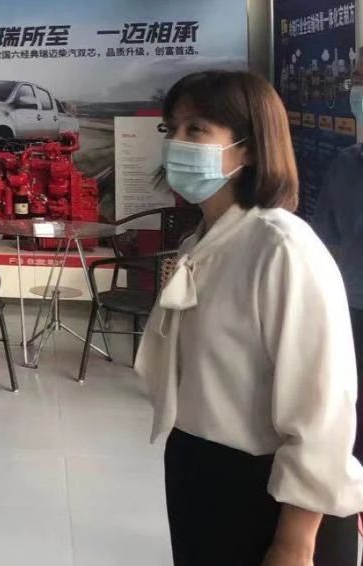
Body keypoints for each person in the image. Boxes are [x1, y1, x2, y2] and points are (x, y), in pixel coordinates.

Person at [135, 70, 363, 566]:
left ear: (251, 148)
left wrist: (294, 543)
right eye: (171, 129)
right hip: (200, 467)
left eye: (197, 130)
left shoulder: (282, 247)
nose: (176, 143)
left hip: (273, 495)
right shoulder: (202, 243)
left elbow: (323, 412)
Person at [312, 47, 363, 464]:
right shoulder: (346, 165)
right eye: (357, 81)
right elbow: (326, 241)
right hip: (351, 313)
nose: (357, 91)